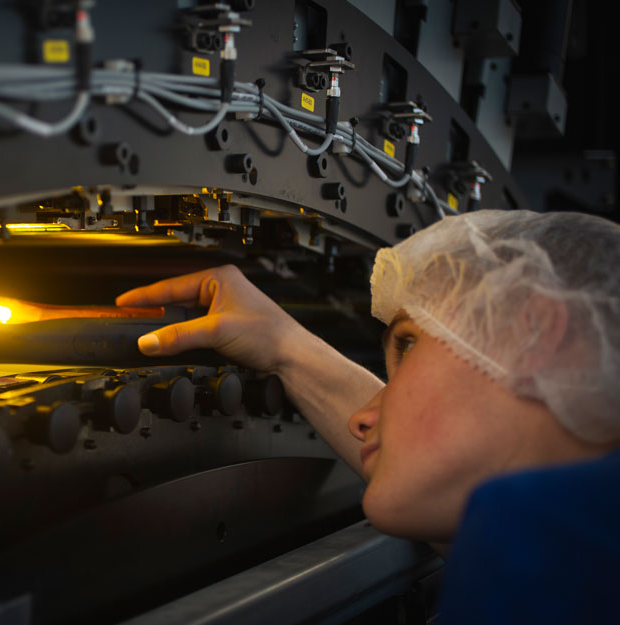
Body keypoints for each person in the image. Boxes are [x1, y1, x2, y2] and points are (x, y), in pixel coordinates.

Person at [115, 209, 620, 623]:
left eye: (407, 344)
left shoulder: (550, 553)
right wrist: (284, 346)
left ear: (532, 334)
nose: (361, 420)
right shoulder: (579, 558)